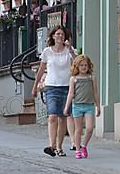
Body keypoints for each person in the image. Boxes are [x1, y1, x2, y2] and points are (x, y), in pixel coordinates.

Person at [32, 26, 77, 157]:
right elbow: (41, 70)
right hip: (51, 87)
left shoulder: (69, 51)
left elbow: (77, 63)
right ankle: (52, 146)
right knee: (52, 117)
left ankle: (59, 146)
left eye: (62, 35)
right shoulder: (47, 52)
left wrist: (70, 49)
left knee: (62, 118)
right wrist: (35, 86)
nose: (60, 36)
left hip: (66, 88)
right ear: (52, 36)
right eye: (57, 34)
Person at [63, 55, 100, 159]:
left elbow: (95, 93)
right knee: (78, 129)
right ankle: (78, 150)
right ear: (77, 66)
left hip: (89, 106)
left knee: (89, 128)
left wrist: (98, 106)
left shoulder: (91, 78)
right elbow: (70, 94)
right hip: (77, 106)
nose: (84, 67)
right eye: (81, 65)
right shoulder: (73, 79)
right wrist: (67, 107)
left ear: (89, 66)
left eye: (86, 65)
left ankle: (84, 146)